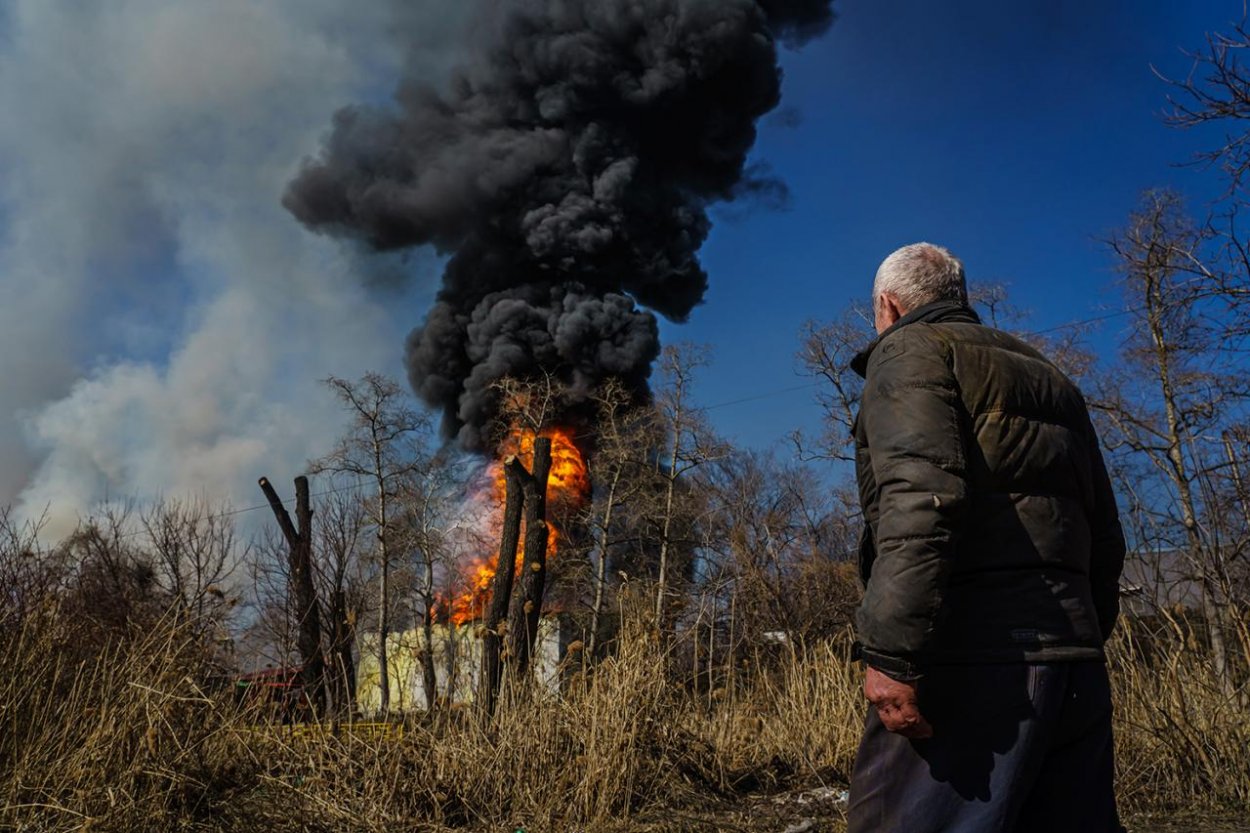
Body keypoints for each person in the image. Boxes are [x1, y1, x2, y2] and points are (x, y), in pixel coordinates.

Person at [846, 243, 1128, 833]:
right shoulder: (1049, 375)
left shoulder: (909, 351)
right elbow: (1105, 530)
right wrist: (1082, 635)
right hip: (1072, 662)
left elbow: (919, 503)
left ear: (888, 306)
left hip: (972, 659)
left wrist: (893, 653)